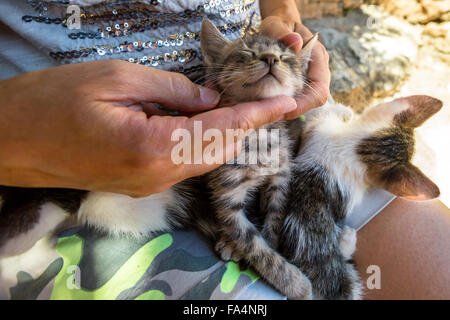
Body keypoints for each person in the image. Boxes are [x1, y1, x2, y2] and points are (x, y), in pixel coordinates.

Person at [0, 0, 448, 299]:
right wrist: (18, 135)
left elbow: (279, 10)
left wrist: (282, 18)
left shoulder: (276, 72)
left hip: (281, 119)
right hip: (66, 162)